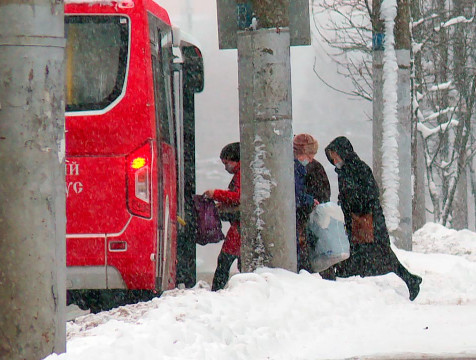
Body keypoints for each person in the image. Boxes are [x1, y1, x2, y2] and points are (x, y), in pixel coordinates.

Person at [324, 136, 422, 301]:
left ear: (344, 152)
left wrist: (355, 204)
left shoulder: (359, 168)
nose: (334, 160)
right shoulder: (344, 171)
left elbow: (371, 193)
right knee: (372, 254)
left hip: (368, 220)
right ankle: (409, 280)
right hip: (359, 221)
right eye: (332, 157)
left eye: (336, 155)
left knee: (378, 254)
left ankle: (409, 280)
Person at [203, 142, 241, 291]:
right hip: (239, 226)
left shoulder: (241, 174)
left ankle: (217, 290)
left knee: (225, 260)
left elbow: (238, 196)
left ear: (235, 160)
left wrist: (216, 194)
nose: (226, 167)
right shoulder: (243, 173)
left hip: (239, 228)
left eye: (227, 163)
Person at [293, 134, 331, 273]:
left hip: (302, 214)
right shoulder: (297, 168)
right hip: (303, 215)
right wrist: (309, 201)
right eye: (309, 155)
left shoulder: (298, 167)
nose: (311, 159)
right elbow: (296, 193)